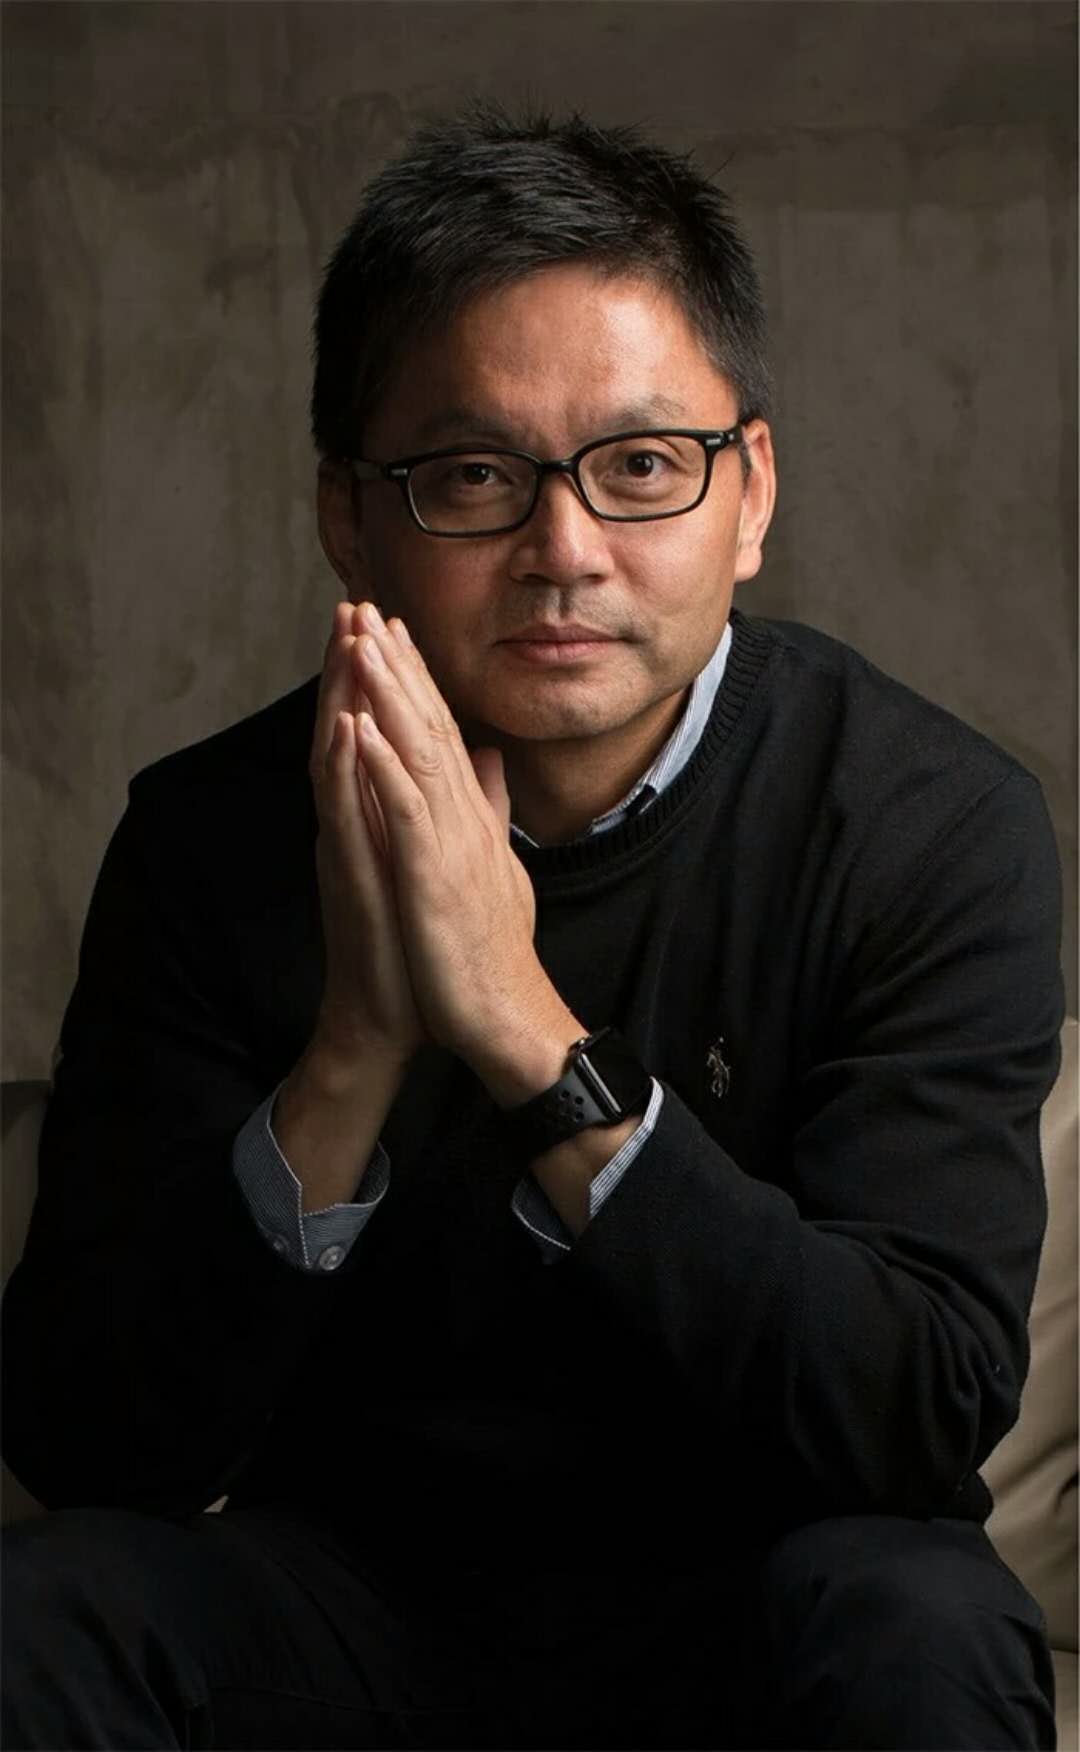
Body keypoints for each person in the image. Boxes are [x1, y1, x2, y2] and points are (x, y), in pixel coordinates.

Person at [1, 100, 1063, 1752]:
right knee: (46, 1611)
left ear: (751, 493)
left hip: (754, 1603)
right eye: (476, 477)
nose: (565, 553)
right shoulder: (212, 839)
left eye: (642, 467)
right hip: (351, 1607)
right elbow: (94, 1442)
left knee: (925, 1618)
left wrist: (522, 1025)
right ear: (350, 512)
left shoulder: (929, 824)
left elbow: (914, 1417)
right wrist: (357, 1044)